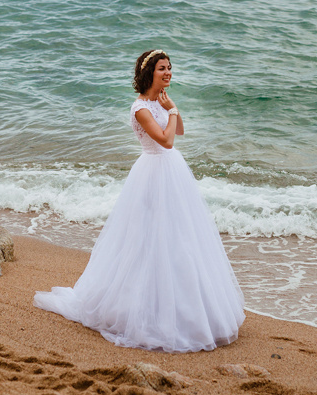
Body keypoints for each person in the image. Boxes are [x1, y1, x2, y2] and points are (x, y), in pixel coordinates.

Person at [33, 49, 245, 352]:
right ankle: (144, 311)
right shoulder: (139, 108)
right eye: (162, 69)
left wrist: (172, 108)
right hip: (153, 174)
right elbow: (166, 140)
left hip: (173, 173)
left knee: (179, 238)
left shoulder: (161, 102)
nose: (168, 73)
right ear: (149, 73)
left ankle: (187, 308)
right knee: (148, 238)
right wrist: (170, 112)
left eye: (170, 68)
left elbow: (180, 131)